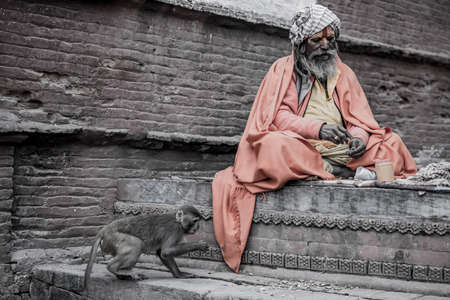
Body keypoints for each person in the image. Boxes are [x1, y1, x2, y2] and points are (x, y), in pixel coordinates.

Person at [212, 4, 417, 273]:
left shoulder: (344, 73)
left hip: (341, 149)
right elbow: (278, 118)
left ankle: (335, 168)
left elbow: (361, 120)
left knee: (392, 144)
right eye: (316, 40)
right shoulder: (283, 70)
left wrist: (358, 140)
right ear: (300, 45)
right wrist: (318, 129)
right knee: (272, 146)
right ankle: (331, 170)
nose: (324, 46)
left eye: (330, 39)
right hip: (302, 145)